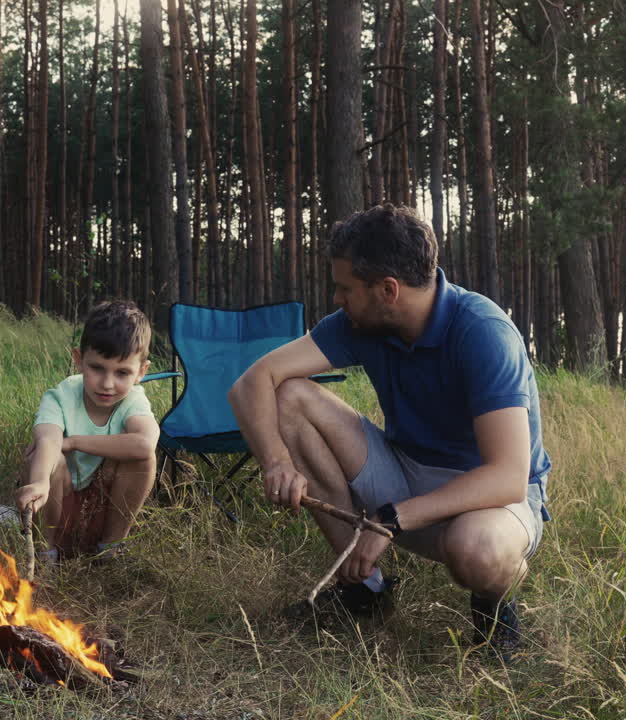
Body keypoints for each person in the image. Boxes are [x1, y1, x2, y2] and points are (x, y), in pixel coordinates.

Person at [228, 204, 550, 659]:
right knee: (290, 397)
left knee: (476, 549)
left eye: (345, 288)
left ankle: (495, 611)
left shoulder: (483, 332)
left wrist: (395, 518)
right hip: (405, 469)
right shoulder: (361, 323)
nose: (337, 300)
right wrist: (276, 462)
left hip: (490, 499)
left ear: (388, 290)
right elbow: (252, 382)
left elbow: (508, 476)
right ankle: (363, 587)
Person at [13, 300, 160, 562]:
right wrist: (40, 482)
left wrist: (73, 442)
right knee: (45, 456)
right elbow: (48, 438)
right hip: (59, 508)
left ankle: (110, 548)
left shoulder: (134, 400)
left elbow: (144, 444)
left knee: (143, 458)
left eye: (122, 373)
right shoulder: (62, 396)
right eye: (97, 368)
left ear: (141, 372)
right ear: (79, 360)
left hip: (103, 510)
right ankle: (45, 553)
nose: (107, 384)